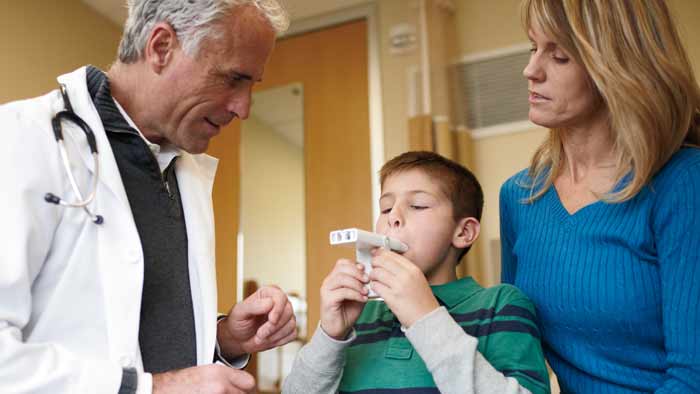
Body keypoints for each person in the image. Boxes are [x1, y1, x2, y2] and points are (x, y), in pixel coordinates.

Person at [0, 1, 297, 393]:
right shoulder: (22, 140)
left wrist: (225, 339)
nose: (243, 108)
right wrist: (152, 389)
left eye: (250, 86)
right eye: (232, 79)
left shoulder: (181, 169)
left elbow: (138, 340)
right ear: (161, 47)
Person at [499, 0, 700, 392]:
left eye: (559, 56)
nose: (531, 70)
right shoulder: (518, 197)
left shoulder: (683, 184)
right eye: (532, 48)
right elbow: (514, 355)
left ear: (616, 68)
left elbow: (692, 377)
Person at [283, 151, 551, 394]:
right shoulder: (360, 317)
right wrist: (330, 336)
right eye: (386, 208)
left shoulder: (501, 305)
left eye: (418, 205)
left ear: (463, 232)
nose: (393, 217)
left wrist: (424, 317)